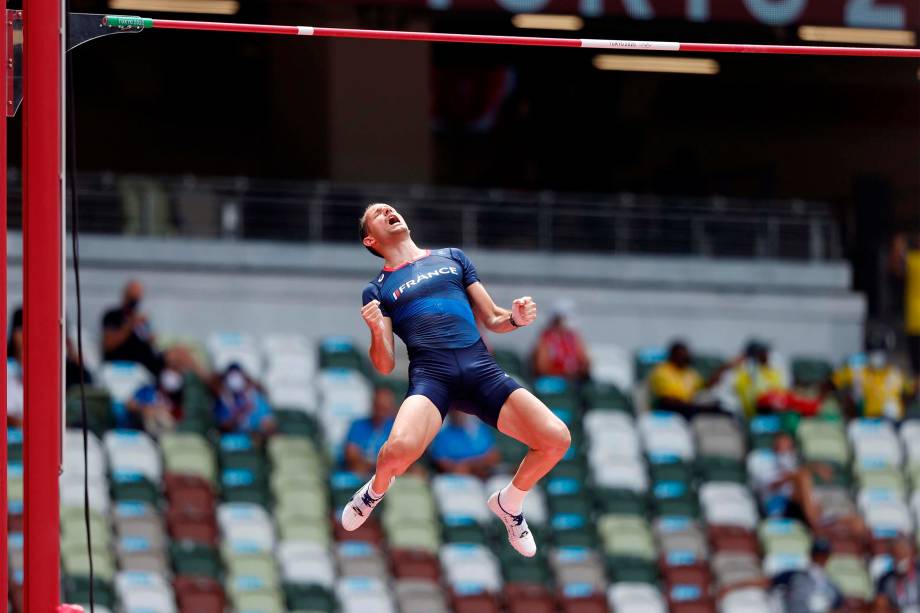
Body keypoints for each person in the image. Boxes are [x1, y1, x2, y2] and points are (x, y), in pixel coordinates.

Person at [341, 202, 571, 558]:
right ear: (371, 240)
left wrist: (517, 318)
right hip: (433, 378)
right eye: (378, 213)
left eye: (390, 208)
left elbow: (494, 317)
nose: (389, 211)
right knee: (396, 452)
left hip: (481, 370)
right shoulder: (379, 289)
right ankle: (373, 492)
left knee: (556, 438)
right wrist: (374, 329)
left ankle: (510, 503)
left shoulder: (452, 258)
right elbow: (384, 364)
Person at [831, 332, 915, 421]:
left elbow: (911, 391)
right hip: (866, 423)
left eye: (880, 352)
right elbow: (833, 382)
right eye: (873, 352)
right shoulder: (857, 371)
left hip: (894, 422)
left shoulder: (896, 373)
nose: (877, 356)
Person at [647, 340, 728, 419]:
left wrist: (721, 370)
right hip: (667, 407)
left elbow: (705, 386)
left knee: (720, 408)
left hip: (688, 407)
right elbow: (668, 399)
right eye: (682, 355)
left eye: (686, 355)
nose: (685, 357)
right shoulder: (662, 371)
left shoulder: (689, 373)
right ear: (673, 355)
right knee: (693, 408)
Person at [102, 279, 164, 375]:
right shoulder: (112, 315)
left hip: (149, 361)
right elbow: (109, 344)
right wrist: (131, 324)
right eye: (132, 298)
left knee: (179, 353)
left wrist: (150, 337)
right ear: (125, 296)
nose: (135, 302)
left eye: (137, 298)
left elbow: (150, 341)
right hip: (126, 363)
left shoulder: (140, 318)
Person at [773, 538, 844, 613]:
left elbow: (838, 604)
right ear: (810, 555)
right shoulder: (794, 575)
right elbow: (769, 582)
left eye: (823, 556)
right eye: (817, 556)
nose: (820, 559)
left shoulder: (831, 585)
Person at [343, 387, 398, 476]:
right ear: (372, 404)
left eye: (384, 407)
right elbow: (351, 456)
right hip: (361, 473)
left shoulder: (395, 428)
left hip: (387, 474)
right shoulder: (358, 425)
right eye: (378, 406)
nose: (381, 411)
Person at [429, 411, 501, 478]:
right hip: (457, 478)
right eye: (455, 411)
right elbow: (443, 463)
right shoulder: (442, 434)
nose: (459, 413)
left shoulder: (479, 429)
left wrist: (471, 465)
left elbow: (494, 456)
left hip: (485, 475)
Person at [532, 300, 590, 382]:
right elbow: (542, 367)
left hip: (574, 380)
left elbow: (585, 360)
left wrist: (578, 370)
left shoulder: (573, 336)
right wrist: (563, 373)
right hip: (553, 380)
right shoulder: (546, 338)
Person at [213, 363, 276, 438]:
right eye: (231, 376)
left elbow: (269, 424)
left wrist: (259, 432)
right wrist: (238, 416)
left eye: (237, 376)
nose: (234, 380)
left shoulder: (256, 398)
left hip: (254, 438)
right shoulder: (222, 400)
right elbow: (223, 426)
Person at [127, 365, 186, 436]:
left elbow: (178, 419)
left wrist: (160, 411)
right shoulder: (147, 389)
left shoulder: (176, 400)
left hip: (166, 431)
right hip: (142, 426)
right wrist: (144, 408)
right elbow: (130, 405)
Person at [734, 340, 786, 418]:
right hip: (753, 414)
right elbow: (752, 396)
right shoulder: (747, 371)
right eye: (763, 352)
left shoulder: (772, 371)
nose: (767, 355)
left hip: (773, 410)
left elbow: (781, 391)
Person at [875, 535, 920, 612]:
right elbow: (881, 605)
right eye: (896, 555)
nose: (900, 559)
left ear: (912, 554)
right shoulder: (885, 579)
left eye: (904, 555)